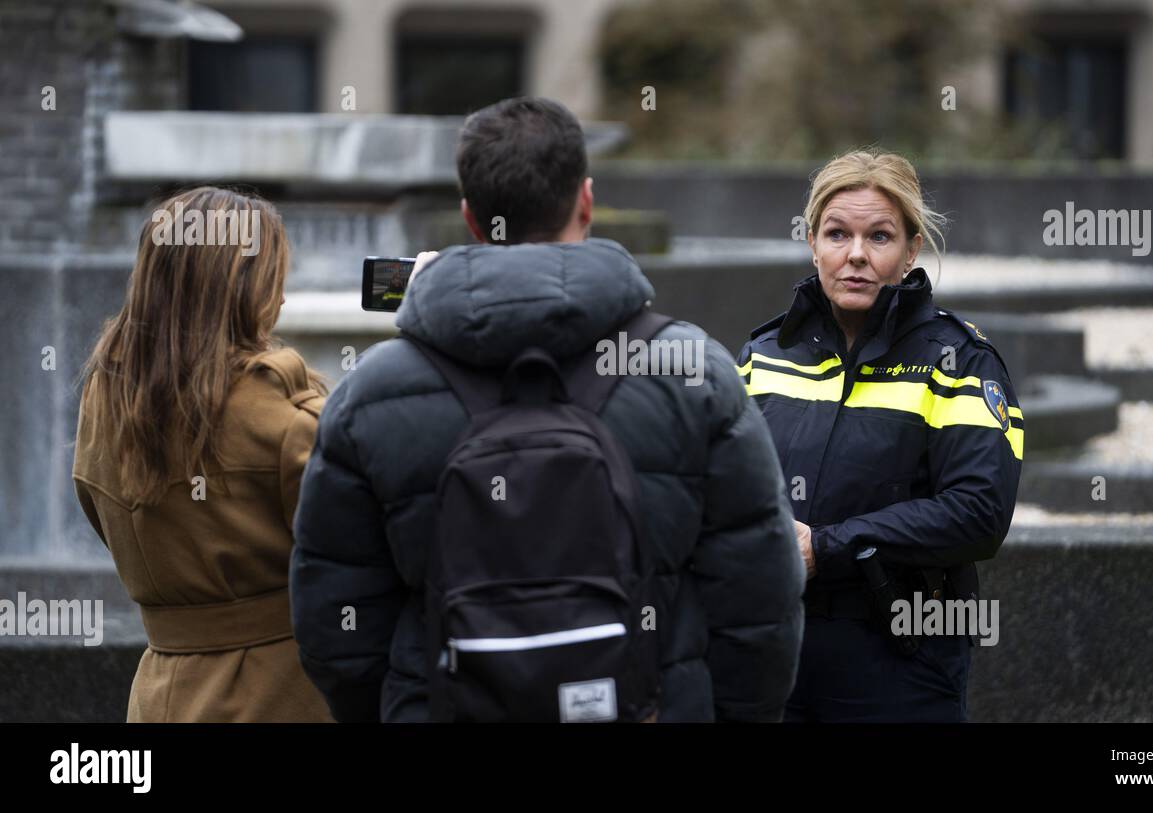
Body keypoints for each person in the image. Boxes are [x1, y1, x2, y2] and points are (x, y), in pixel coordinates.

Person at [289, 97, 804, 723]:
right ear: (586, 202)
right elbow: (761, 595)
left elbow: (334, 619)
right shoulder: (694, 370)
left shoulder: (370, 391)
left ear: (471, 219)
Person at [737, 149, 1023, 722]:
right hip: (771, 656)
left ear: (912, 248)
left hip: (902, 661)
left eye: (880, 236)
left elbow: (978, 514)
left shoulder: (959, 363)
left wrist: (827, 547)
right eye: (837, 234)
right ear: (812, 241)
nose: (856, 256)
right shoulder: (762, 356)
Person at [73, 186, 333, 722]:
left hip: (159, 693)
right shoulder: (279, 414)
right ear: (237, 285)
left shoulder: (104, 398)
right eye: (272, 279)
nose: (281, 300)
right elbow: (360, 546)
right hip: (279, 692)